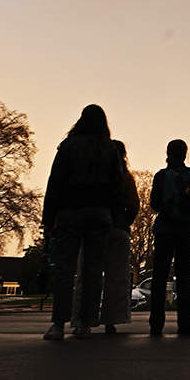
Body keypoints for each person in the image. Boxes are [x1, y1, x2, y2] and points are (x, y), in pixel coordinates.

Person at [41, 104, 124, 340]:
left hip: (71, 210)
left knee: (66, 269)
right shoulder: (110, 149)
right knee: (93, 269)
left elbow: (55, 183)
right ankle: (85, 323)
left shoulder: (68, 146)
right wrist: (113, 216)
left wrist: (49, 219)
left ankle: (59, 324)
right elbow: (117, 187)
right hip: (100, 213)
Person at [77, 139, 139, 335]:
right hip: (118, 228)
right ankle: (112, 319)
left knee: (87, 274)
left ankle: (84, 320)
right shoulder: (126, 177)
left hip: (93, 228)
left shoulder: (93, 173)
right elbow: (133, 205)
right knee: (117, 276)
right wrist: (123, 221)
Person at [148, 139, 190, 336]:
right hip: (189, 231)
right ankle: (187, 324)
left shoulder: (162, 176)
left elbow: (155, 204)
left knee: (160, 277)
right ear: (186, 153)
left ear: (168, 153)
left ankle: (157, 324)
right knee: (185, 278)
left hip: (165, 230)